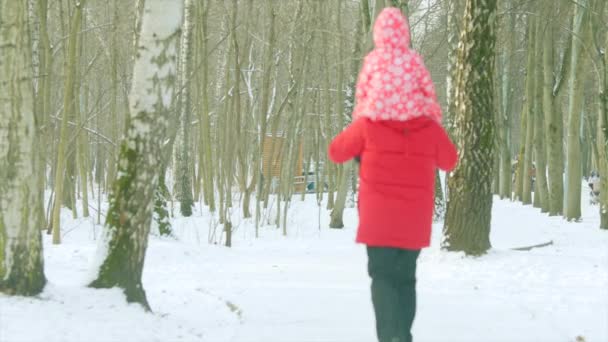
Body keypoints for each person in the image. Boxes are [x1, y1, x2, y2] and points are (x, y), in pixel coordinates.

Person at [328, 7, 458, 342]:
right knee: (405, 278)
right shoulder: (427, 124)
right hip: (413, 221)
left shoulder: (368, 123)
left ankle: (392, 337)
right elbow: (449, 159)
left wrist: (361, 141)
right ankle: (402, 336)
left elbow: (336, 151)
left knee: (382, 278)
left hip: (379, 220)